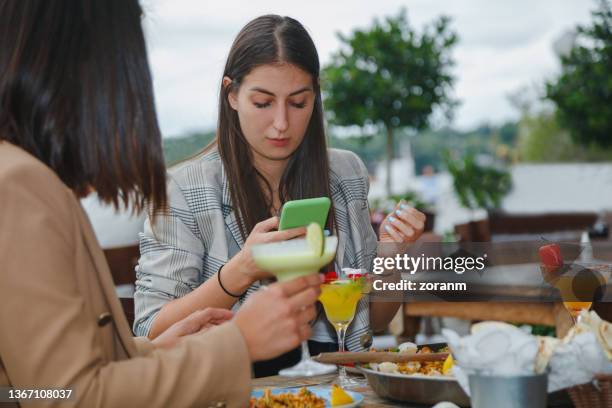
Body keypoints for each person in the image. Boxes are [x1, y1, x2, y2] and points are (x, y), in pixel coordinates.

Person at [0, 2, 321, 407]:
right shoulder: (19, 185)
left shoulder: (25, 177)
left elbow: (36, 384)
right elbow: (66, 396)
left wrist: (155, 351)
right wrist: (236, 343)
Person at [134, 14, 426, 377]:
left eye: (298, 102)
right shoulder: (181, 190)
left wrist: (389, 256)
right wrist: (239, 272)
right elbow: (151, 329)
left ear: (315, 97)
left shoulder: (345, 173)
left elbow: (374, 321)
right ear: (232, 95)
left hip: (335, 390)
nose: (282, 123)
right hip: (231, 389)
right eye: (263, 103)